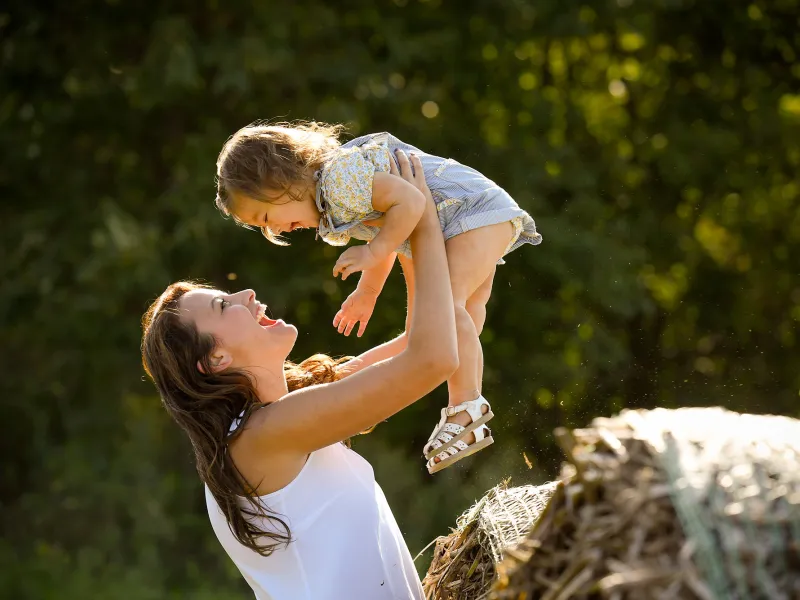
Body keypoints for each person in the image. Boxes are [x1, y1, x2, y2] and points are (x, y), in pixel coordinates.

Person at [141, 152, 457, 600]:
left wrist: (398, 229)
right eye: (222, 306)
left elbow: (423, 339)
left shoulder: (283, 418)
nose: (246, 293)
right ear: (214, 361)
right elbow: (433, 358)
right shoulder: (259, 439)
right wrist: (420, 217)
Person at [214, 121, 542, 473]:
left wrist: (373, 254)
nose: (274, 230)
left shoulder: (338, 180)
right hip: (464, 216)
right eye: (263, 227)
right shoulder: (332, 196)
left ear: (280, 178)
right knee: (447, 325)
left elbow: (409, 201)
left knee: (445, 314)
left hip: (466, 213)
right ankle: (342, 379)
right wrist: (368, 291)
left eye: (266, 216)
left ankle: (466, 409)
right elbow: (386, 224)